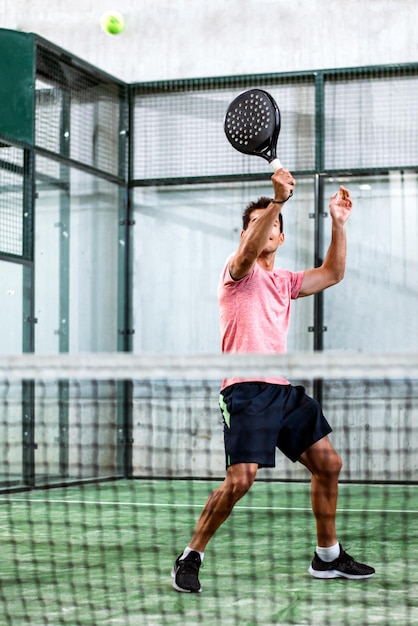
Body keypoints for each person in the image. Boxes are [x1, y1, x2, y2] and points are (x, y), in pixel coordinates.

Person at [171, 169, 375, 593]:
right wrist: (277, 203)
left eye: (275, 226)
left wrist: (337, 222)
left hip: (282, 391)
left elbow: (332, 273)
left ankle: (327, 557)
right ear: (246, 232)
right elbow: (247, 250)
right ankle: (191, 555)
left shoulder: (284, 282)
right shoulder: (237, 271)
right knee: (241, 478)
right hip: (243, 389)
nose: (267, 229)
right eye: (257, 223)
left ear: (280, 239)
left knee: (328, 464)